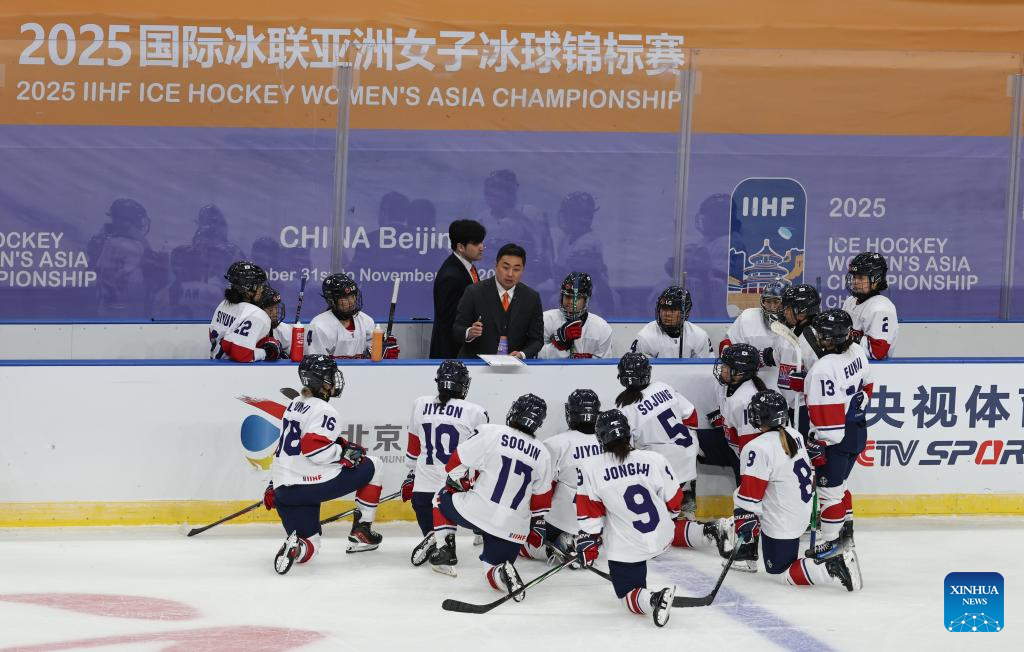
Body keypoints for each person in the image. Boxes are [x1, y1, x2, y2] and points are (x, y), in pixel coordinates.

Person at [727, 390, 861, 589]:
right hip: (800, 515)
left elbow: (750, 495)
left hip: (782, 523)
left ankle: (831, 567)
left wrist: (744, 519)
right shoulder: (795, 434)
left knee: (779, 573)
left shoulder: (757, 447)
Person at [268, 355, 385, 575]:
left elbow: (285, 448)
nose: (334, 381)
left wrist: (272, 484)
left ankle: (297, 547)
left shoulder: (295, 404)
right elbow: (315, 449)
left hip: (284, 490)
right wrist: (344, 453)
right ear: (321, 381)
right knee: (374, 464)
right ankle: (362, 532)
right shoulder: (325, 410)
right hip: (309, 486)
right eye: (330, 376)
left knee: (310, 547)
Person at [428, 394, 553, 596]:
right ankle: (502, 571)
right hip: (513, 528)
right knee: (491, 569)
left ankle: (445, 549)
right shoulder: (543, 453)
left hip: (475, 512)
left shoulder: (491, 432)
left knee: (441, 495)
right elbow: (541, 503)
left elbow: (455, 464)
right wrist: (537, 525)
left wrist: (461, 484)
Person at [575, 409, 680, 627]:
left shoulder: (591, 467)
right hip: (663, 536)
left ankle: (653, 598)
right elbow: (675, 500)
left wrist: (589, 542)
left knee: (627, 595)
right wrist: (670, 518)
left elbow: (591, 514)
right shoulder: (654, 459)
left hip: (628, 547)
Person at [803, 310, 873, 561]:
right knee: (841, 486)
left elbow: (829, 419)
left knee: (829, 492)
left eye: (823, 336)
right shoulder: (857, 351)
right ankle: (847, 532)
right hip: (857, 431)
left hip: (836, 438)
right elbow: (868, 387)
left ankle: (832, 542)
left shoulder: (823, 369)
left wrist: (818, 442)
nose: (819, 338)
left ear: (833, 339)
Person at [405, 360, 489, 567]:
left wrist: (410, 475)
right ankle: (479, 531)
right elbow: (482, 457)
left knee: (425, 505)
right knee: (481, 500)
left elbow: (413, 448)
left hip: (423, 491)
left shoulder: (420, 404)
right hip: (457, 491)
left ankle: (434, 537)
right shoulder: (475, 411)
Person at [519, 389, 603, 562]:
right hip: (599, 522)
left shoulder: (556, 443)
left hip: (563, 519)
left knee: (519, 544)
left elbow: (541, 487)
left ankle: (555, 548)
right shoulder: (612, 443)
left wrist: (536, 521)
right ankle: (590, 540)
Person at [614, 352, 699, 521]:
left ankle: (675, 512)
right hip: (689, 455)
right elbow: (691, 414)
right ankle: (686, 498)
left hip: (664, 467)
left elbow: (626, 450)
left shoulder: (625, 409)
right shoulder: (663, 387)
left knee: (661, 520)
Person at [453, 243, 544, 360]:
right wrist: (469, 332)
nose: (510, 274)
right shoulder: (474, 292)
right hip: (477, 365)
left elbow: (537, 339)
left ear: (522, 270)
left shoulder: (531, 297)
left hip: (514, 368)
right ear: (496, 265)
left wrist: (522, 354)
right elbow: (457, 329)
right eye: (505, 267)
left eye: (516, 269)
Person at [430, 220, 487, 359]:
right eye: (476, 243)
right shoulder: (451, 276)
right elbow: (448, 320)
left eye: (481, 242)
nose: (482, 247)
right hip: (451, 353)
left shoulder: (467, 267)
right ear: (461, 247)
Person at [306, 274, 399, 359]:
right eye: (344, 298)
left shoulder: (366, 321)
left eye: (352, 296)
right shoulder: (319, 326)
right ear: (331, 300)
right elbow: (315, 365)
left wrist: (382, 351)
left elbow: (370, 357)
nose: (351, 302)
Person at [719, 280, 788, 391]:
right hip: (748, 385)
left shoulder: (794, 324)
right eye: (768, 301)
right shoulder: (748, 317)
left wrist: (770, 357)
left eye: (776, 302)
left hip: (783, 385)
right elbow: (726, 345)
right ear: (762, 301)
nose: (771, 306)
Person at [539, 272, 614, 359]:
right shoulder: (545, 320)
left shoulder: (602, 328)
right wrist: (559, 345)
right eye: (567, 296)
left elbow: (604, 367)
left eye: (577, 298)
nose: (571, 302)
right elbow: (535, 357)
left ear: (586, 300)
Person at [631, 286, 713, 359]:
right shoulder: (645, 336)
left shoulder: (699, 336)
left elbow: (704, 370)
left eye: (673, 310)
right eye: (664, 309)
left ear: (684, 312)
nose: (667, 314)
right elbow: (640, 372)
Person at [843, 252, 898, 360]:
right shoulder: (850, 301)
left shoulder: (882, 308)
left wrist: (841, 338)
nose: (855, 282)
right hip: (849, 366)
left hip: (874, 370)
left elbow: (876, 351)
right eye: (854, 277)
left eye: (860, 278)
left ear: (876, 280)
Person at [208, 261, 266, 359]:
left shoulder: (223, 304)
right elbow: (241, 354)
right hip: (234, 371)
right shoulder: (255, 313)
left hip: (214, 363)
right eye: (259, 285)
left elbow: (211, 336)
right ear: (247, 289)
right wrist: (265, 353)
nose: (262, 289)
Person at [217, 283, 286, 363]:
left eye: (276, 308)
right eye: (270, 309)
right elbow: (240, 354)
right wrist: (266, 352)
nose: (275, 313)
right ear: (259, 310)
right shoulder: (247, 327)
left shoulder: (283, 329)